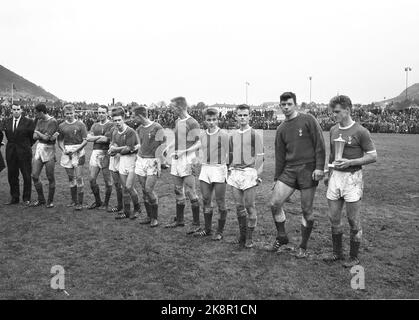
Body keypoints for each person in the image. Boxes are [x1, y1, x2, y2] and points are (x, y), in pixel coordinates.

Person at [269, 92, 326, 258]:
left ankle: (303, 245)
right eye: (283, 105)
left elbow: (319, 145)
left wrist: (319, 167)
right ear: (280, 106)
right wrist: (276, 178)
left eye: (289, 104)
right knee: (274, 203)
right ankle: (282, 236)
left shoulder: (308, 119)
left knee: (306, 210)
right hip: (289, 169)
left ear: (295, 104)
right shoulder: (280, 128)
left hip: (308, 169)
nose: (286, 107)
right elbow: (279, 156)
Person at [324, 95, 377, 268]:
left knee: (353, 220)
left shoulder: (360, 131)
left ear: (347, 110)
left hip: (352, 178)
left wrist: (351, 162)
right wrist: (328, 173)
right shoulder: (333, 130)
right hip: (335, 177)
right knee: (334, 218)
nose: (334, 114)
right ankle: (337, 253)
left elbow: (372, 156)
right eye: (333, 111)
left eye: (337, 111)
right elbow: (332, 155)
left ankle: (354, 256)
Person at [227, 104, 264, 248]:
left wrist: (256, 173)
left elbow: (260, 156)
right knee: (238, 206)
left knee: (249, 206)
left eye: (245, 115)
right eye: (240, 115)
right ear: (236, 117)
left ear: (249, 116)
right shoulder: (233, 135)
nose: (242, 118)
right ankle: (242, 236)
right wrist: (229, 168)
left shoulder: (255, 134)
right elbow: (230, 155)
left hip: (249, 173)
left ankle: (250, 237)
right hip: (235, 173)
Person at [163, 97, 202, 234]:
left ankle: (196, 223)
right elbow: (177, 139)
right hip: (177, 159)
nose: (170, 109)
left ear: (179, 107)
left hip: (188, 159)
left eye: (172, 106)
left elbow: (199, 143)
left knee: (191, 191)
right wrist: (168, 147)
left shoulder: (193, 122)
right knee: (178, 190)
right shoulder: (178, 121)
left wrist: (184, 152)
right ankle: (179, 220)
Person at [194, 107, 229, 240]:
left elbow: (230, 152)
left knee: (220, 201)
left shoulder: (223, 134)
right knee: (206, 199)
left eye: (214, 119)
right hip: (205, 168)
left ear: (217, 119)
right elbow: (198, 145)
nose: (211, 122)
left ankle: (219, 231)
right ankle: (207, 229)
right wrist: (190, 154)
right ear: (205, 120)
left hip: (219, 169)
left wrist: (229, 167)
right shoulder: (202, 134)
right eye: (209, 120)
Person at [132, 105, 166, 227]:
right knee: (143, 190)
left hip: (153, 161)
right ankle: (148, 216)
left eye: (134, 116)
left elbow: (163, 144)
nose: (132, 118)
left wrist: (160, 161)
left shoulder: (157, 127)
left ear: (140, 116)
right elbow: (141, 144)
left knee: (148, 189)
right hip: (141, 161)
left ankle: (155, 218)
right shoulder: (139, 129)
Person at [109, 107, 141, 220]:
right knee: (124, 188)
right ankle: (126, 212)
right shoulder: (114, 131)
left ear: (123, 119)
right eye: (115, 120)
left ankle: (137, 209)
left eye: (119, 120)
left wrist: (115, 150)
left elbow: (129, 148)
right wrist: (111, 149)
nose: (117, 122)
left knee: (129, 187)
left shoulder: (130, 131)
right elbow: (113, 144)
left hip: (132, 159)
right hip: (122, 160)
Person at [1, 104, 35, 205]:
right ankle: (14, 197)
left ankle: (26, 198)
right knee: (12, 175)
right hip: (11, 151)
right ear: (11, 110)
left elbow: (32, 137)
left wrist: (26, 145)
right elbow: (3, 134)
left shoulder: (28, 122)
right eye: (14, 109)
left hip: (24, 151)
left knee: (26, 175)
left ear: (21, 110)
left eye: (18, 109)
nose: (16, 111)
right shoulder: (7, 121)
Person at [57, 104, 88, 211]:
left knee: (79, 177)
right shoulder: (61, 126)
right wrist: (63, 149)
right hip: (67, 152)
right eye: (67, 113)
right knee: (71, 178)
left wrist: (76, 150)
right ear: (64, 114)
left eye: (71, 113)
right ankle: (73, 201)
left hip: (78, 152)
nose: (69, 115)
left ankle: (80, 203)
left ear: (74, 113)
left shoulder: (81, 125)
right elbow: (60, 140)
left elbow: (85, 140)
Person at [31, 103, 59, 208]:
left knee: (50, 177)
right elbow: (34, 137)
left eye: (36, 113)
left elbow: (47, 139)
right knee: (34, 175)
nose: (35, 115)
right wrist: (42, 135)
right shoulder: (39, 121)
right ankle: (41, 199)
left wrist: (38, 132)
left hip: (49, 150)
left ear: (41, 112)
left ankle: (50, 201)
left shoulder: (53, 121)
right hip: (39, 149)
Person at [86, 106, 114, 210]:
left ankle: (105, 203)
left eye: (103, 112)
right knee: (92, 179)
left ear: (107, 113)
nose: (100, 114)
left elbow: (106, 139)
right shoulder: (95, 125)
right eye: (99, 112)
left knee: (108, 181)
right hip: (95, 153)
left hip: (106, 153)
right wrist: (98, 138)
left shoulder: (111, 124)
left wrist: (95, 138)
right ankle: (98, 201)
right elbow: (88, 138)